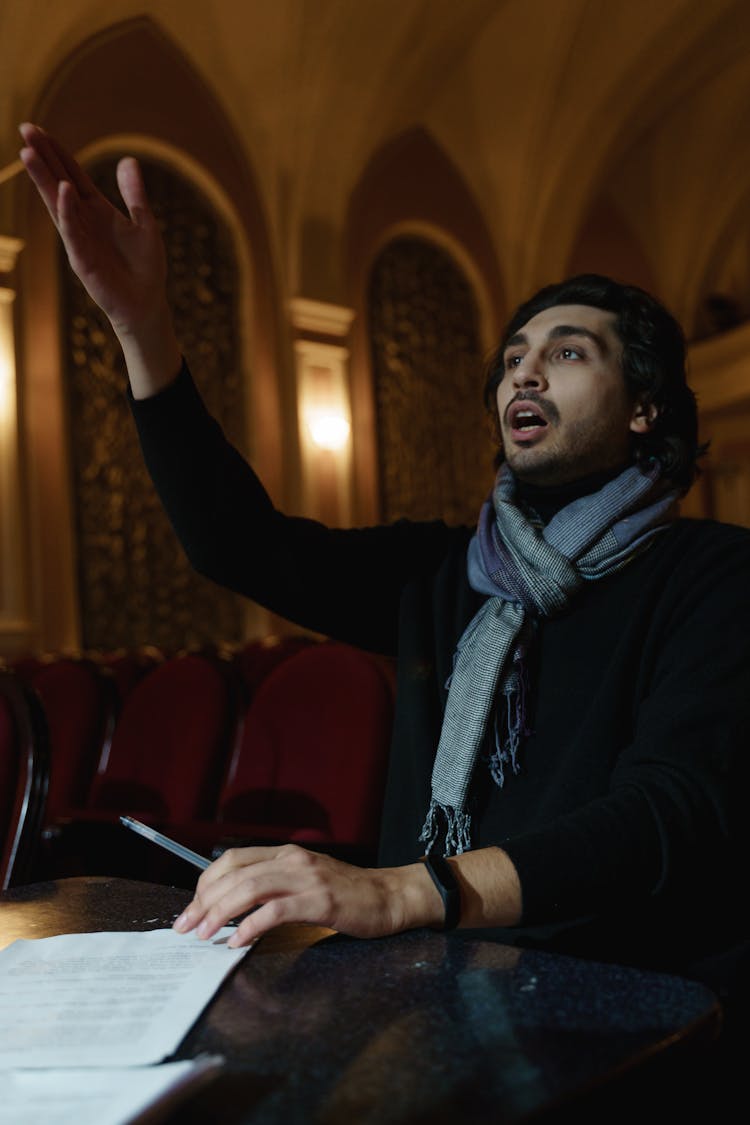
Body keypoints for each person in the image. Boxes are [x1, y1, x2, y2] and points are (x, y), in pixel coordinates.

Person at [19, 126, 750, 1000]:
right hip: (447, 981)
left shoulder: (715, 574)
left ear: (645, 410)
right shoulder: (449, 573)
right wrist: (144, 328)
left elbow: (669, 816)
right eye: (513, 359)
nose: (524, 375)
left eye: (565, 353)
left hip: (635, 993)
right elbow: (238, 543)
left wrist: (401, 886)